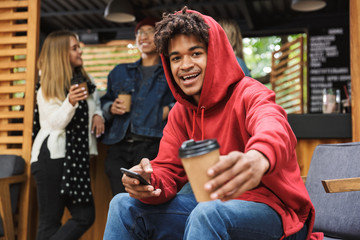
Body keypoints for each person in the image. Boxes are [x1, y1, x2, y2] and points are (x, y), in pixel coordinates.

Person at [103, 7, 323, 240]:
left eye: (196, 53)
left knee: (207, 212)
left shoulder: (249, 92)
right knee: (123, 204)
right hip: (212, 205)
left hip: (280, 213)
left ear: (215, 54)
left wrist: (258, 158)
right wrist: (149, 181)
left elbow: (274, 126)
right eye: (176, 58)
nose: (185, 65)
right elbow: (168, 169)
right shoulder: (181, 112)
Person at [31, 30, 105, 240]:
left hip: (75, 160)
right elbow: (54, 123)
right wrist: (70, 103)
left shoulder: (82, 81)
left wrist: (98, 114)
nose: (80, 51)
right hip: (51, 157)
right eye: (74, 48)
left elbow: (94, 103)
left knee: (85, 215)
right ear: (61, 53)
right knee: (50, 221)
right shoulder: (47, 85)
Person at [100, 17, 175, 196]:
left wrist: (167, 111)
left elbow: (184, 101)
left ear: (160, 38)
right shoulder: (120, 71)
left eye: (150, 32)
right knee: (120, 202)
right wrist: (110, 107)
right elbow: (104, 101)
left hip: (152, 147)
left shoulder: (171, 70)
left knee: (145, 202)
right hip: (119, 145)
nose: (144, 36)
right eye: (140, 33)